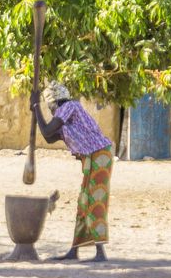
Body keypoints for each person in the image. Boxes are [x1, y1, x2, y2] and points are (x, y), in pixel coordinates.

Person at [30, 82, 113, 262]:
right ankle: (74, 251)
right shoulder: (64, 118)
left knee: (94, 200)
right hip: (91, 157)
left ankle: (100, 253)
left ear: (55, 101)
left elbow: (47, 129)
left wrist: (37, 107)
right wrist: (36, 111)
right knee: (83, 203)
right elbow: (48, 137)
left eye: (49, 105)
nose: (50, 110)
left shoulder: (69, 106)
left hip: (99, 155)